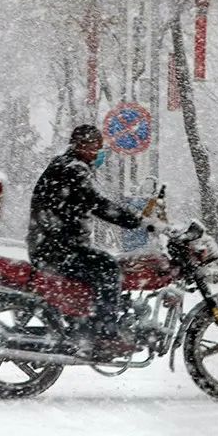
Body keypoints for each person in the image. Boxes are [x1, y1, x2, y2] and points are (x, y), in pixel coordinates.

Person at [27, 124, 149, 356]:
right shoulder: (72, 169)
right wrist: (135, 221)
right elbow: (97, 204)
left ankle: (92, 323)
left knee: (102, 265)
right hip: (56, 248)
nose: (99, 153)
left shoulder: (67, 166)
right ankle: (106, 335)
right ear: (80, 146)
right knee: (109, 268)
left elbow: (90, 203)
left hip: (53, 245)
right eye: (96, 148)